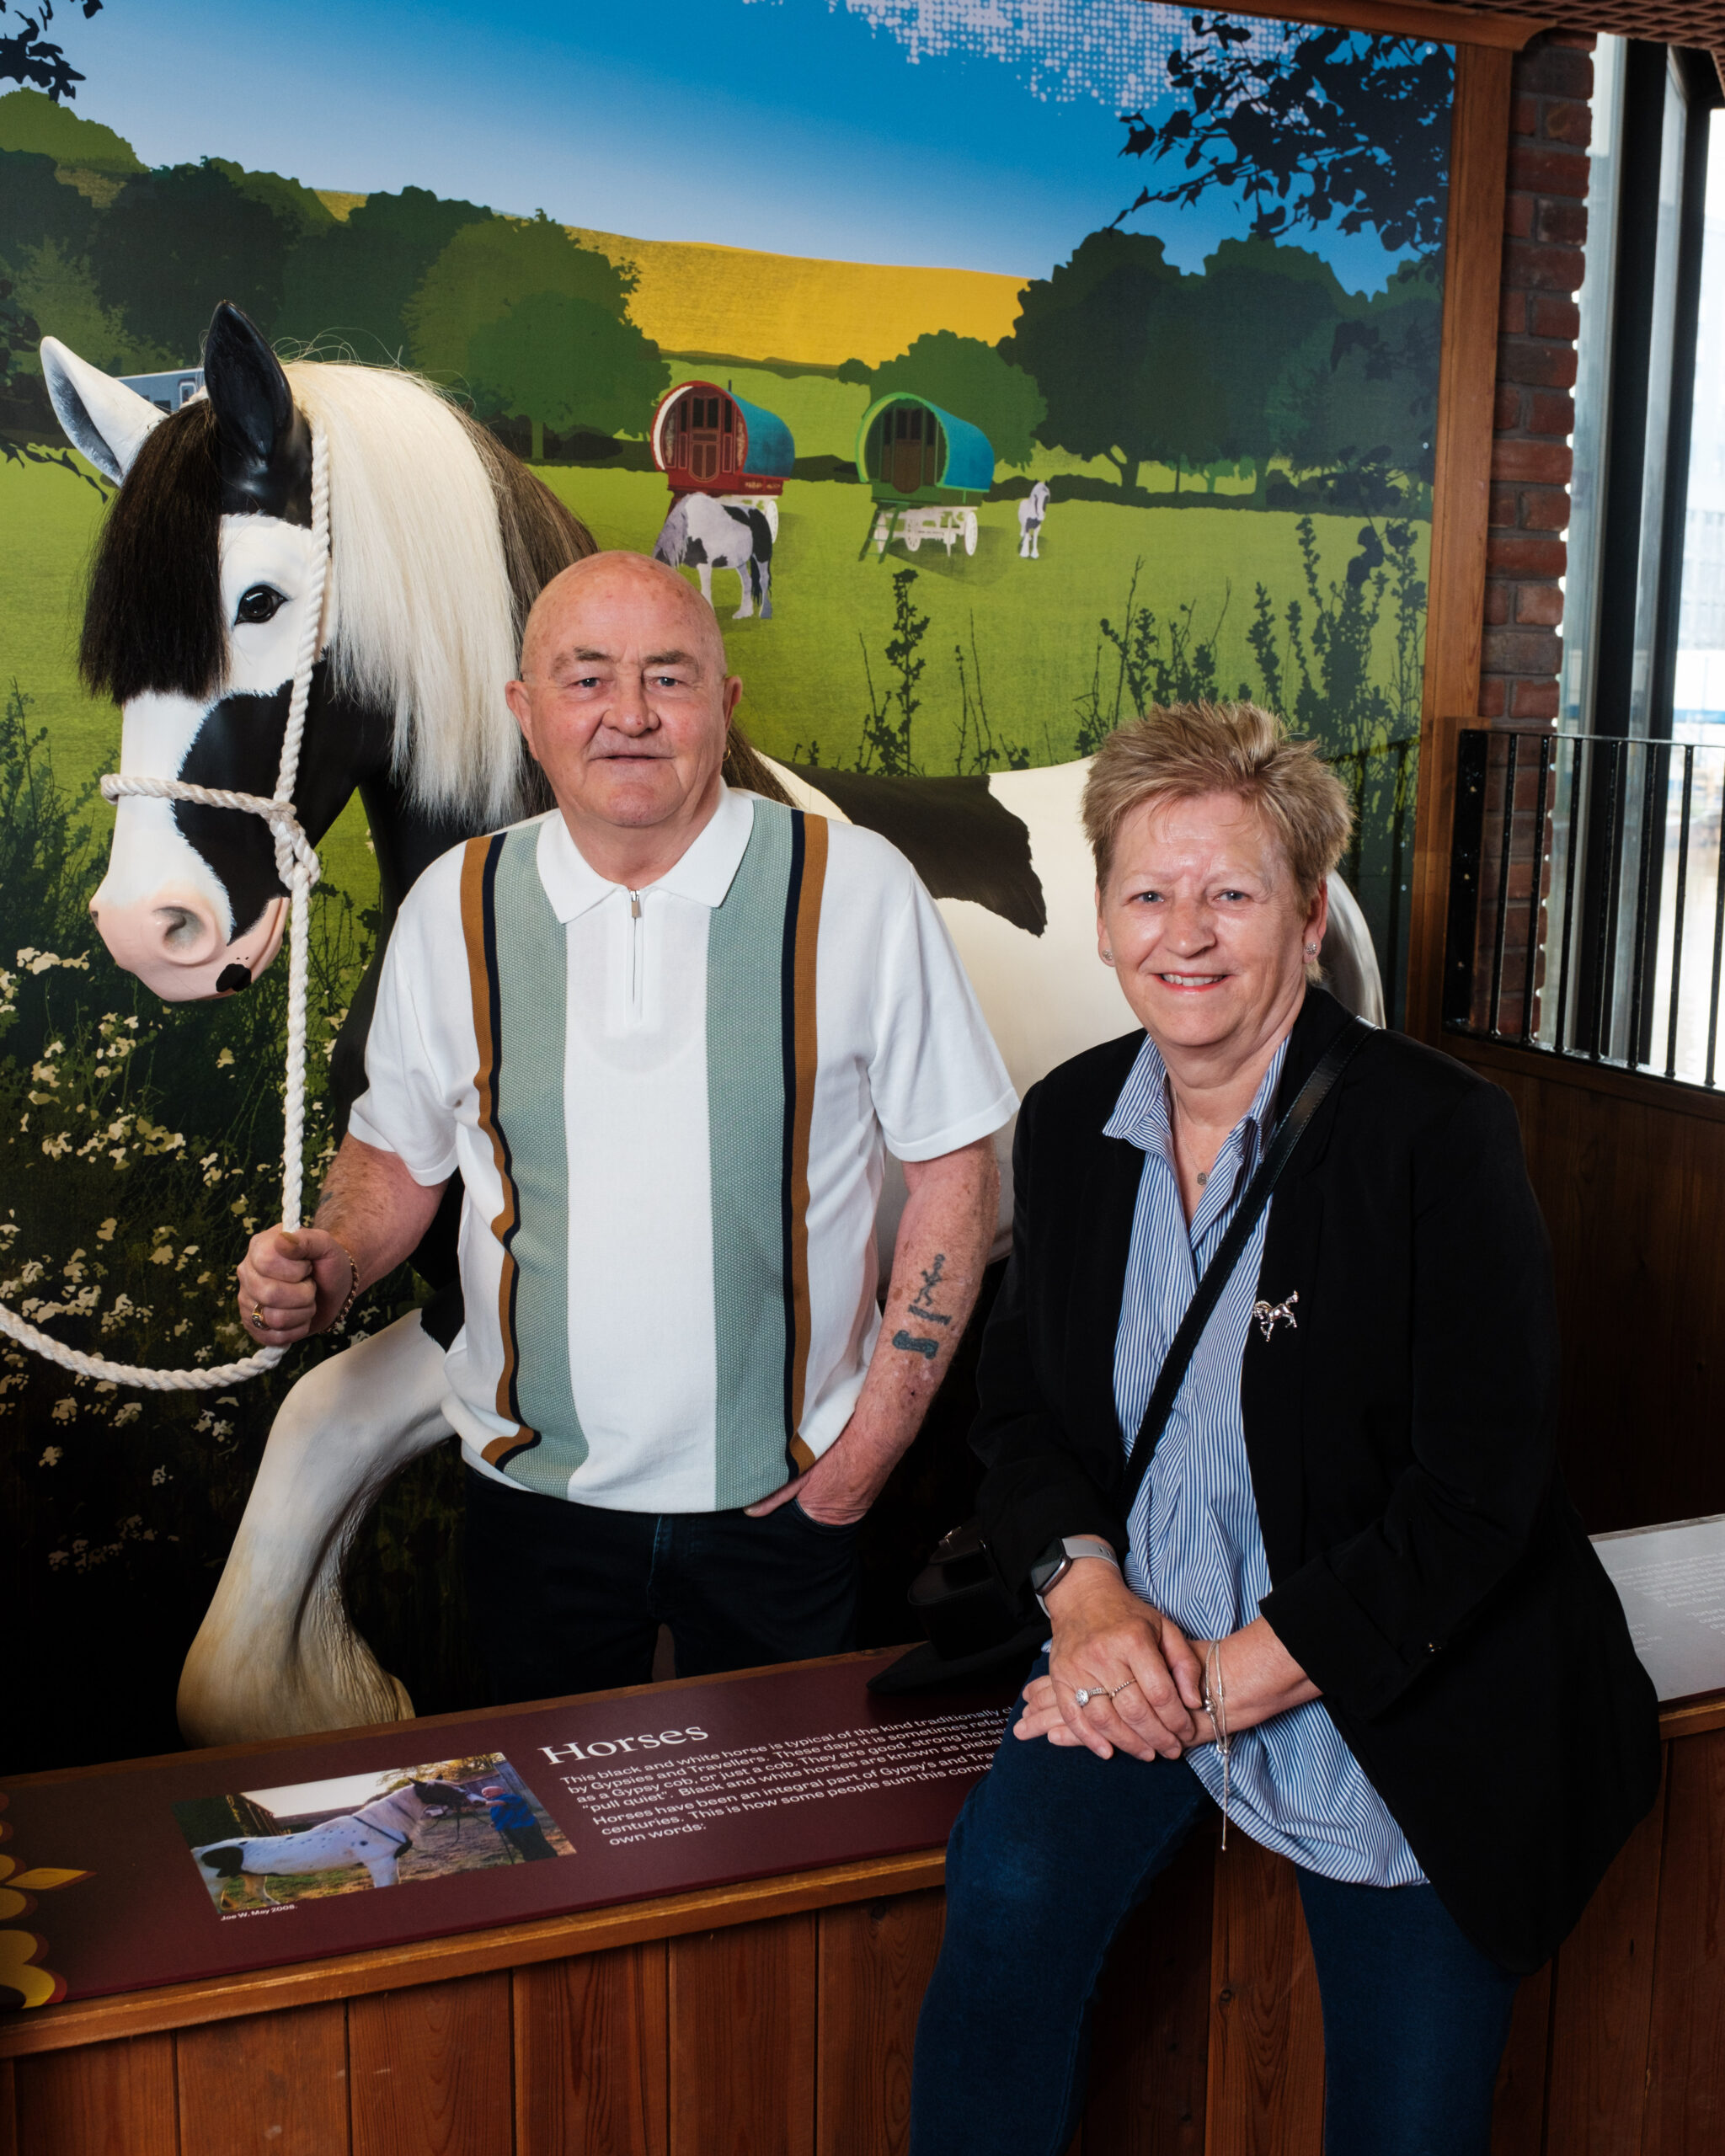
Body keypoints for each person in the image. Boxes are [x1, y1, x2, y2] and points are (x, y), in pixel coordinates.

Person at [909, 702, 1661, 2156]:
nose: (1182, 934)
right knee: (997, 1932)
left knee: (1405, 2121)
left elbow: (1473, 1496)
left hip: (1395, 1693)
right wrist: (1085, 1599)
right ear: (1103, 919)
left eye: (1230, 893)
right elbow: (1016, 1414)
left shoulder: (1436, 1135)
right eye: (1146, 893)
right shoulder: (1066, 1123)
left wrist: (1225, 1681)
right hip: (1133, 1662)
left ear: (1308, 918)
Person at [236, 551, 1015, 1701]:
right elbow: (400, 1156)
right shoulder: (452, 905)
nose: (631, 717)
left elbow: (957, 1175)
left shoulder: (858, 889)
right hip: (530, 1512)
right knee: (555, 1843)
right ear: (527, 714)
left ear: (725, 702)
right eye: (586, 679)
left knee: (773, 1835)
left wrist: (867, 1456)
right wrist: (334, 1256)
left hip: (786, 1509)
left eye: (670, 677)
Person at [480, 1781, 557, 1862]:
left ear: (501, 1790)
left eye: (489, 1791)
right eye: (484, 1793)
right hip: (510, 1828)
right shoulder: (494, 1802)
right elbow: (503, 1813)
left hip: (524, 1827)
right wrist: (495, 1822)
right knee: (522, 1848)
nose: (485, 1794)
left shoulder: (509, 1797)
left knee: (536, 1846)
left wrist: (477, 1804)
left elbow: (496, 1803)